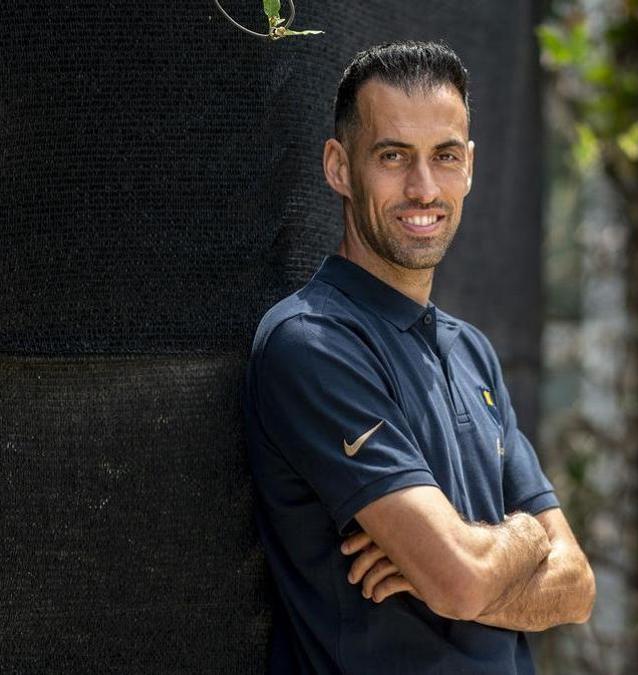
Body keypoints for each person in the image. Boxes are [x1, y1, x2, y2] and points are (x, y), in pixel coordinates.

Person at [243, 41, 595, 674]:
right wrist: (524, 537)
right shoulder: (312, 343)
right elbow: (460, 581)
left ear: (470, 168)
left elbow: (577, 588)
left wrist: (464, 567)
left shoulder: (471, 351)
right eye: (393, 155)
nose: (423, 187)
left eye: (445, 156)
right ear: (339, 167)